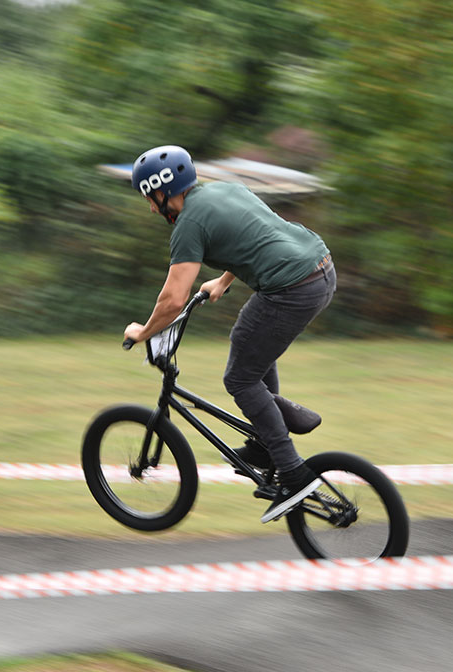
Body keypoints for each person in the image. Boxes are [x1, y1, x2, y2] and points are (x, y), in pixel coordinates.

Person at [122, 145, 336, 523]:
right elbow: (255, 235)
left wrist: (143, 331)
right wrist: (222, 281)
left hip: (292, 288)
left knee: (239, 378)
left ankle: (291, 472)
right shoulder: (225, 189)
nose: (152, 209)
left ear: (164, 189)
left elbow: (173, 299)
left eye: (151, 199)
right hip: (321, 267)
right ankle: (268, 436)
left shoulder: (189, 224)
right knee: (249, 343)